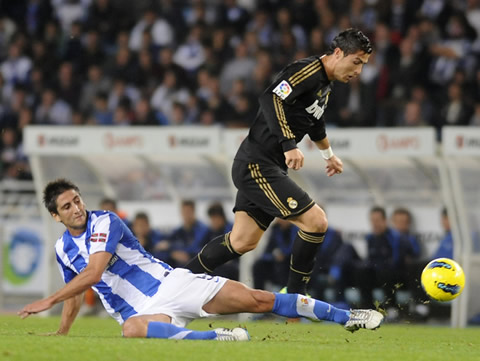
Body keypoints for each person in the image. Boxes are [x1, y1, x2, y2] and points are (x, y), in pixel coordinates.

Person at [18, 179, 383, 340]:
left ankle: (349, 316)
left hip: (172, 284)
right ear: (56, 217)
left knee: (259, 300)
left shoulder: (104, 221)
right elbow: (77, 292)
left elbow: (93, 271)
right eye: (67, 206)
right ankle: (217, 338)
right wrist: (63, 331)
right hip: (142, 313)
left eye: (77, 200)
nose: (76, 208)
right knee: (130, 330)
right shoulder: (62, 249)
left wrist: (48, 299)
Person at [185, 28, 373, 295]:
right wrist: (289, 145)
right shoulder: (308, 70)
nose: (359, 71)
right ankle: (296, 297)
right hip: (257, 164)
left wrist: (328, 155)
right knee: (316, 222)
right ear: (338, 53)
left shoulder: (325, 85)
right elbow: (271, 97)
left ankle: (176, 281)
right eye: (356, 62)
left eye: (363, 65)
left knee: (242, 240)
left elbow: (315, 122)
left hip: (265, 165)